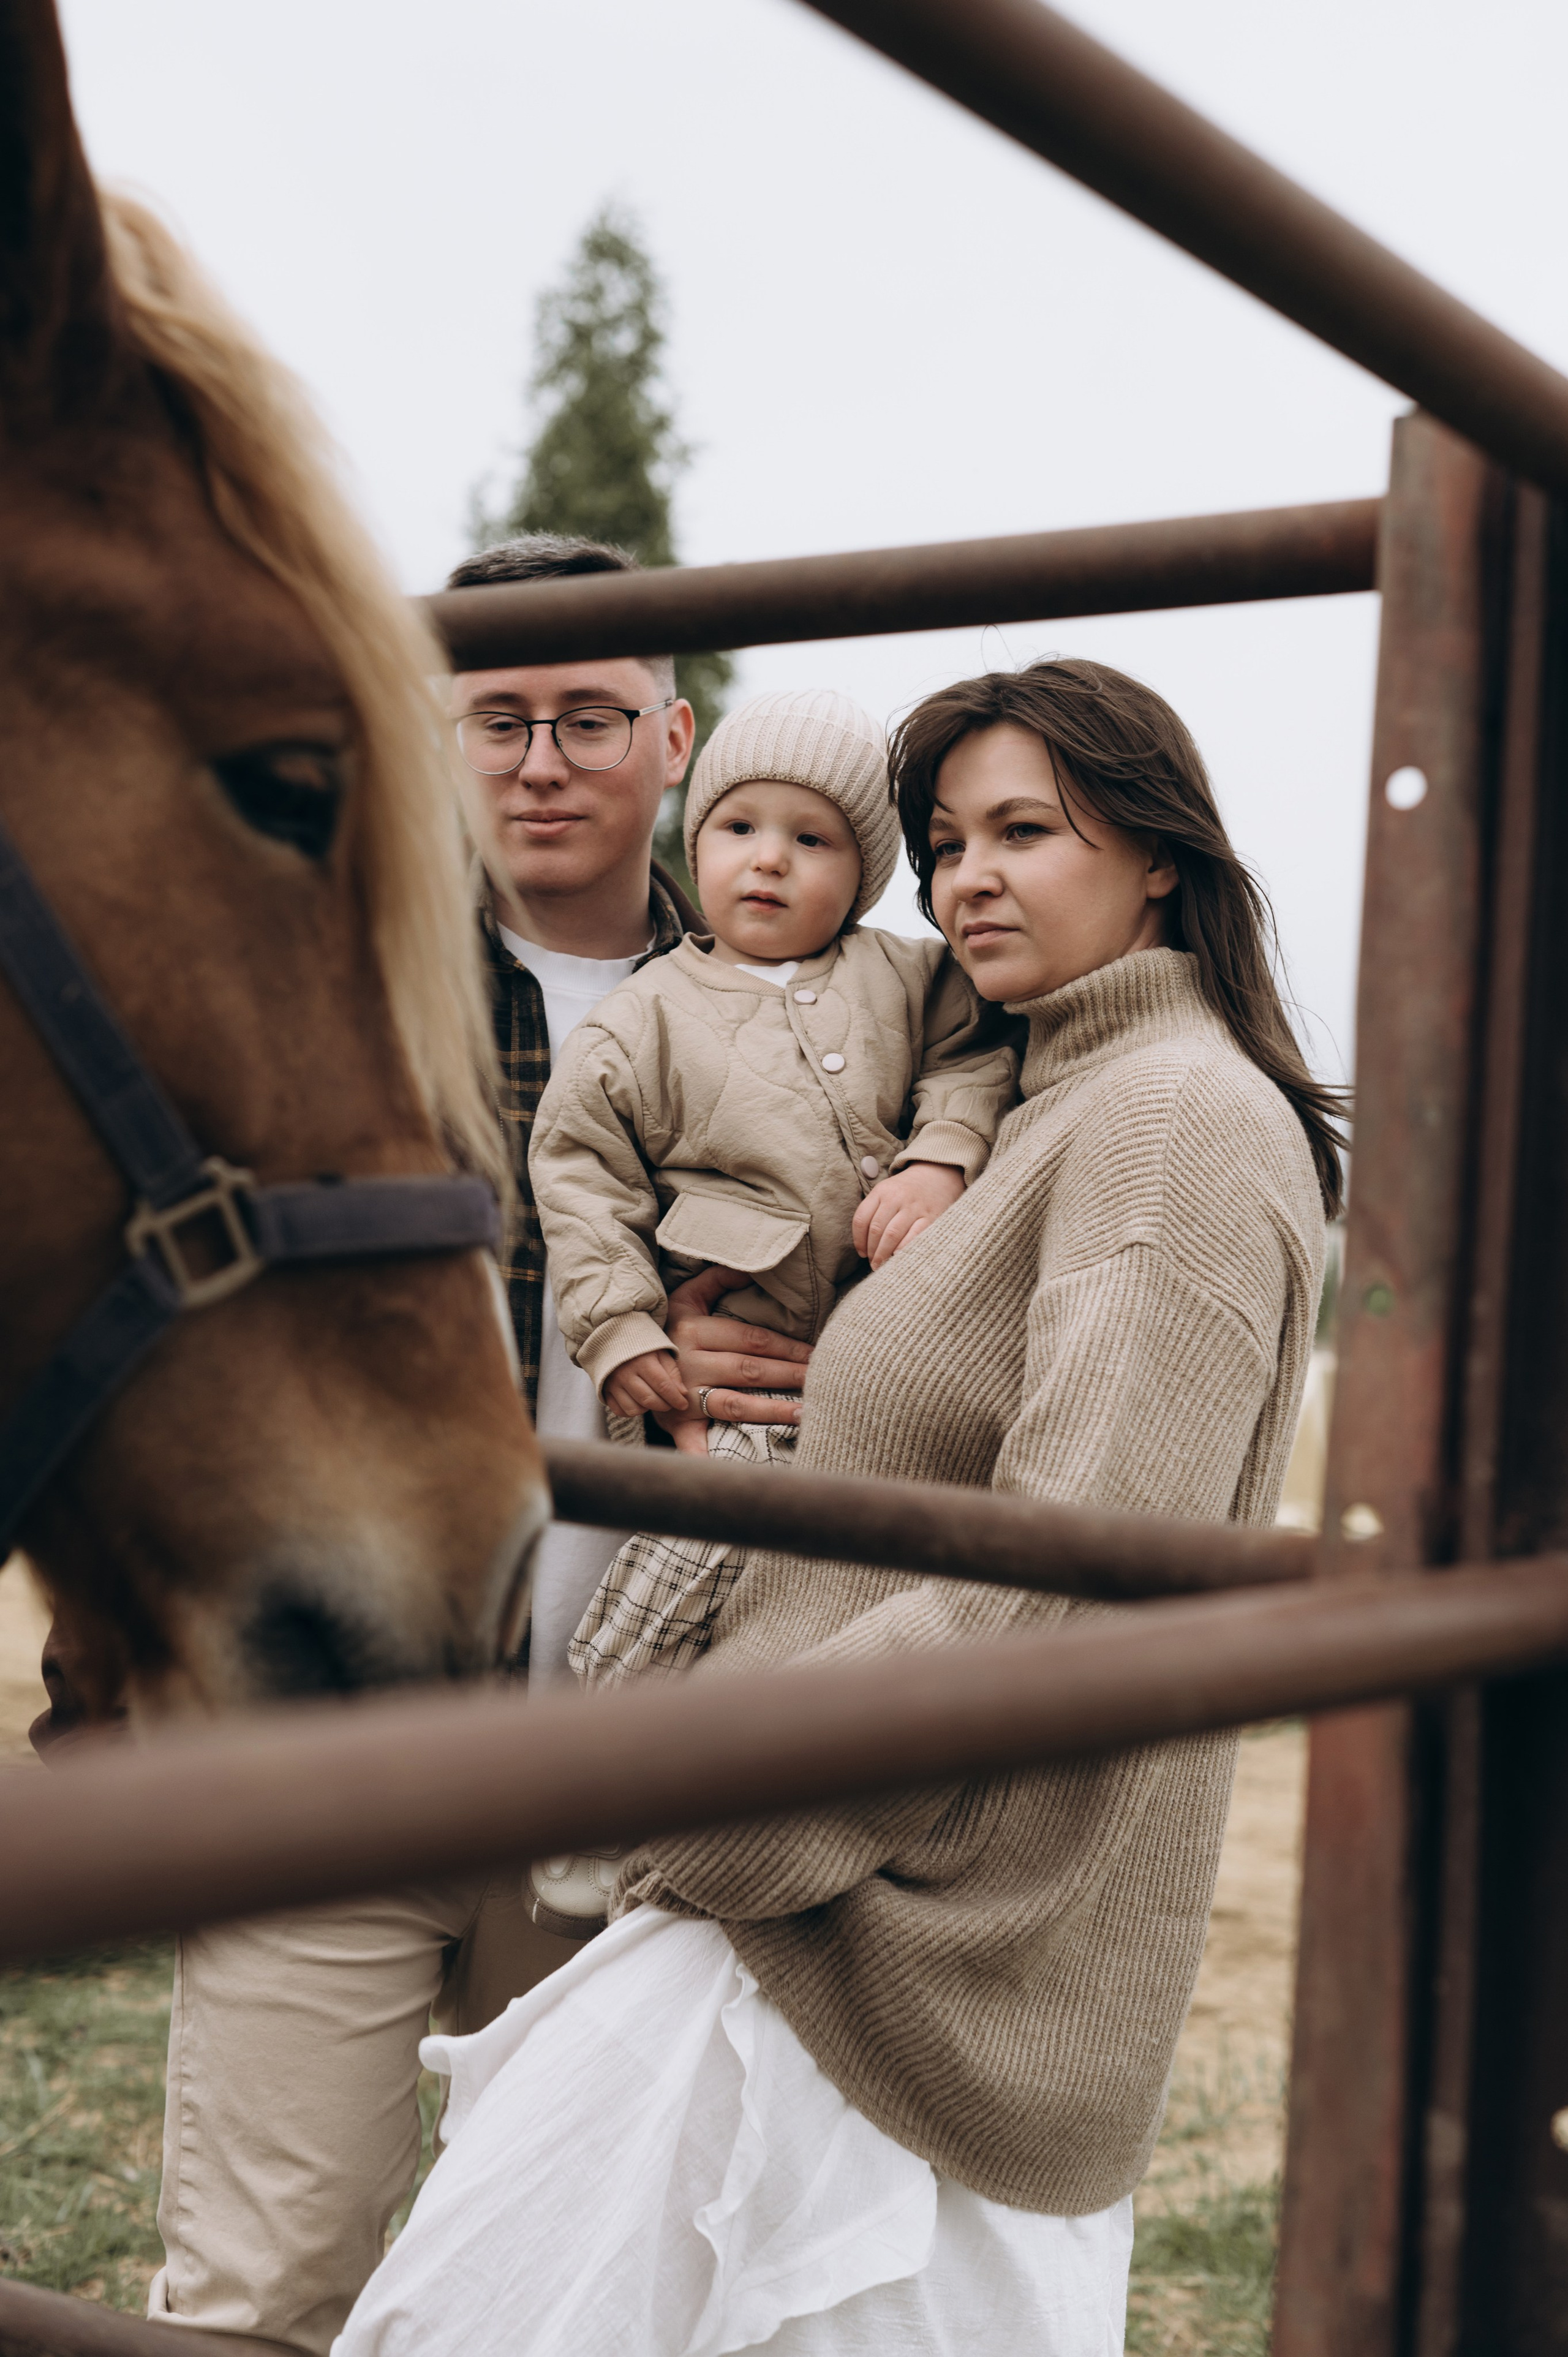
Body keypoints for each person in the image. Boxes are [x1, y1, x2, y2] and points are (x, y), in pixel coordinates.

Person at [333, 655, 1340, 2357]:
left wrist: (727, 1798)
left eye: (1029, 830)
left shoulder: (1169, 1124)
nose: (971, 882)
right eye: (945, 845)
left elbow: (1065, 1574)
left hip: (898, 1950)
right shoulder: (1042, 1100)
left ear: (1158, 853)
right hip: (821, 1898)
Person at [144, 535, 804, 2357]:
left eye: (589, 717)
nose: (540, 761)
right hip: (336, 1737)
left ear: (676, 738)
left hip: (642, 1767)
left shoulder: (811, 1011)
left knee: (582, 2303)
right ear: (432, 740)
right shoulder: (312, 990)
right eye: (496, 718)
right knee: (264, 2293)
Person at [521, 687, 1018, 1936]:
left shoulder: (907, 978)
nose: (769, 860)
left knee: (828, 1623)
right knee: (675, 1582)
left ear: (859, 876)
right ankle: (577, 1795)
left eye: (812, 840)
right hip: (733, 1369)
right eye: (741, 828)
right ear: (698, 842)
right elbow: (576, 1174)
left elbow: (975, 1060)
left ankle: (783, 1837)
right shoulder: (647, 1018)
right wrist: (622, 1328)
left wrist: (940, 1157)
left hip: (884, 1366)